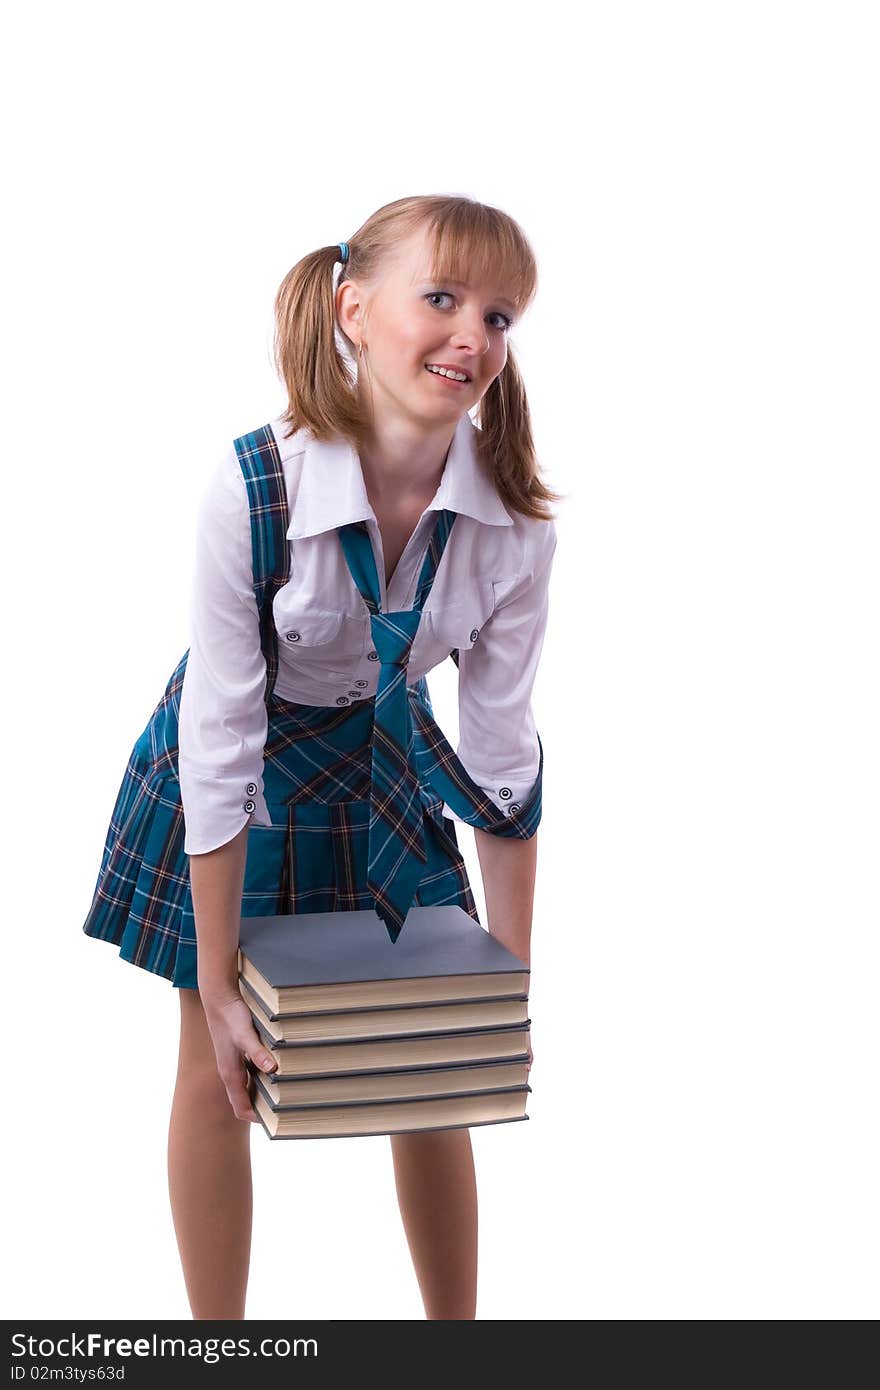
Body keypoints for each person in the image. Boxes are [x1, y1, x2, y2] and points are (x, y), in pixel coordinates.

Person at [82, 193, 563, 1320]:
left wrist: (507, 983)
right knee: (219, 1067)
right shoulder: (256, 484)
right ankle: (219, 1348)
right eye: (439, 299)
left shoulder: (515, 523)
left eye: (498, 315)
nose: (472, 337)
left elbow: (499, 755)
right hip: (233, 772)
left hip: (382, 763)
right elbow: (221, 742)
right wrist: (214, 980)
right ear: (352, 307)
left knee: (437, 1069)